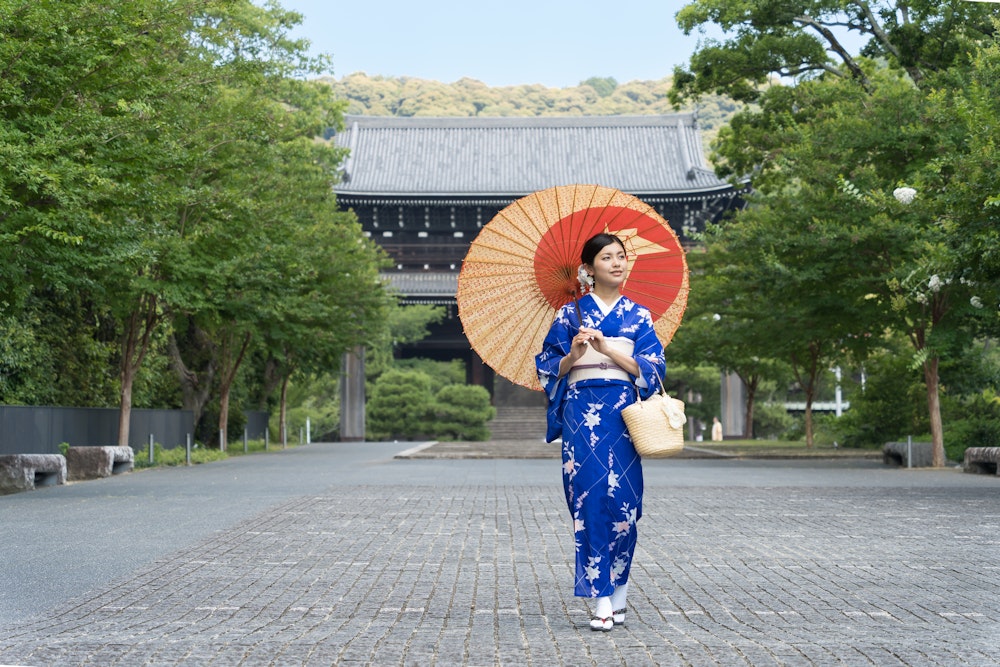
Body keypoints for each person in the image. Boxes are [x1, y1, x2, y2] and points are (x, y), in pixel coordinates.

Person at [535, 232, 666, 632]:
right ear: (588, 269)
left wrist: (609, 350)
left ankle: (619, 590)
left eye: (621, 256)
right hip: (582, 412)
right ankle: (601, 599)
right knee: (589, 500)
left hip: (624, 413)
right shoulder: (567, 316)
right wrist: (573, 355)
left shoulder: (639, 316)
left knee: (625, 503)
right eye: (606, 257)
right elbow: (546, 367)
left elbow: (654, 368)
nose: (617, 263)